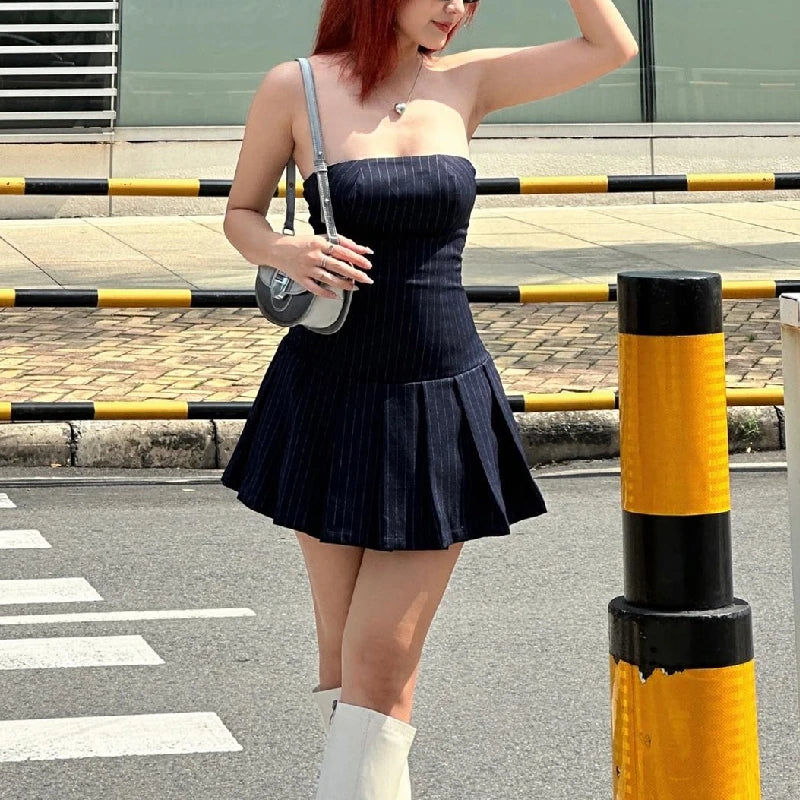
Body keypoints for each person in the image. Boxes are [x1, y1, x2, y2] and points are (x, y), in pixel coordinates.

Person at [221, 1, 638, 797]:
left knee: (378, 662)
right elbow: (242, 214)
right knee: (356, 665)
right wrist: (285, 247)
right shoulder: (295, 86)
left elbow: (609, 45)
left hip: (436, 400)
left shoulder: (468, 83)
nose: (458, 9)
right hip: (327, 396)